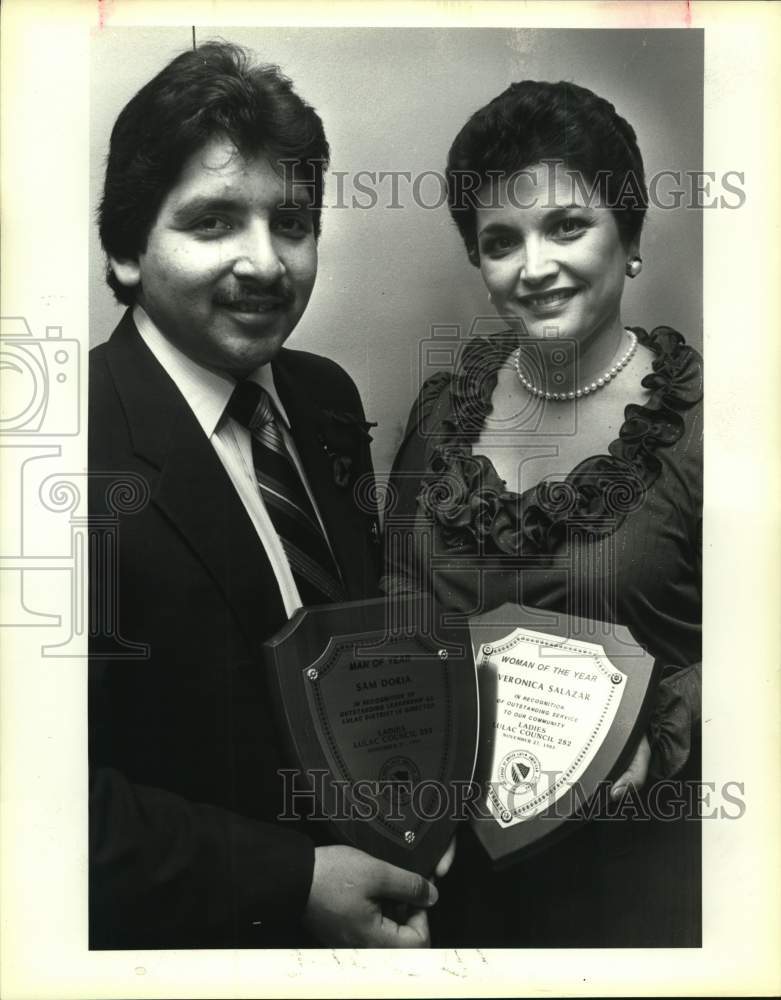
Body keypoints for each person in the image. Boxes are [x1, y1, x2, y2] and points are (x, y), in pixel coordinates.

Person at [88, 41, 441, 949]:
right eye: (212, 223)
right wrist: (292, 884)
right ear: (127, 252)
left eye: (290, 222)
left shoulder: (324, 396)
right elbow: (33, 797)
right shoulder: (52, 452)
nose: (265, 263)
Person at [383, 80, 702, 946]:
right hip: (451, 882)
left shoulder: (716, 426)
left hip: (638, 882)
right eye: (499, 241)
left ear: (629, 236)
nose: (532, 268)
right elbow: (393, 609)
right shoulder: (440, 413)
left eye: (566, 226)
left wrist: (666, 727)